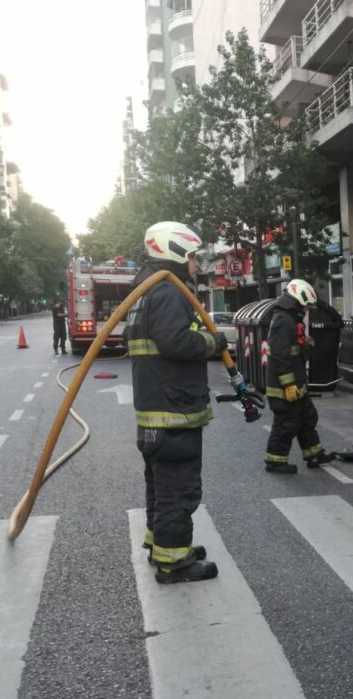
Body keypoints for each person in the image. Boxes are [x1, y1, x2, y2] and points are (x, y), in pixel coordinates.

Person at [125, 221, 228, 584]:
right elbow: (176, 343)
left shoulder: (144, 291)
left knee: (160, 484)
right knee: (179, 489)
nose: (198, 265)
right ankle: (174, 562)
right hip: (173, 411)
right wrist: (213, 343)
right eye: (194, 256)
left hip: (156, 410)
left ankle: (161, 544)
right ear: (177, 253)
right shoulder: (167, 292)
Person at [263, 278, 335, 473]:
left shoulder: (290, 319)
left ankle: (314, 454)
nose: (306, 310)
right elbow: (281, 354)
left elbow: (292, 346)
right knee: (287, 423)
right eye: (305, 306)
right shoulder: (283, 320)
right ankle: (275, 461)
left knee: (307, 417)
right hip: (284, 387)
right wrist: (288, 384)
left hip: (297, 383)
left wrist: (305, 342)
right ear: (296, 301)